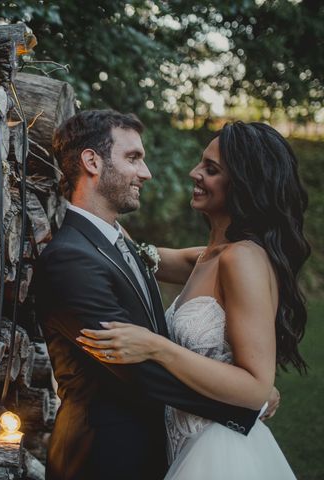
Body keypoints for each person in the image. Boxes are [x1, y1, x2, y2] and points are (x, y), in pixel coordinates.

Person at [33, 110, 265, 480]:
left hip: (152, 453)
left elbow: (208, 261)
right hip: (103, 459)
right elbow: (139, 372)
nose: (146, 173)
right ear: (92, 161)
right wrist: (247, 404)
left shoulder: (113, 242)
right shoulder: (69, 260)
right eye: (133, 158)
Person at [77, 121, 309, 479]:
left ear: (245, 185)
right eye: (202, 163)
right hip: (183, 442)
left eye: (211, 170)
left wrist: (157, 347)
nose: (194, 173)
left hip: (220, 451)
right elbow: (134, 251)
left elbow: (257, 388)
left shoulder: (241, 260)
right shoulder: (208, 256)